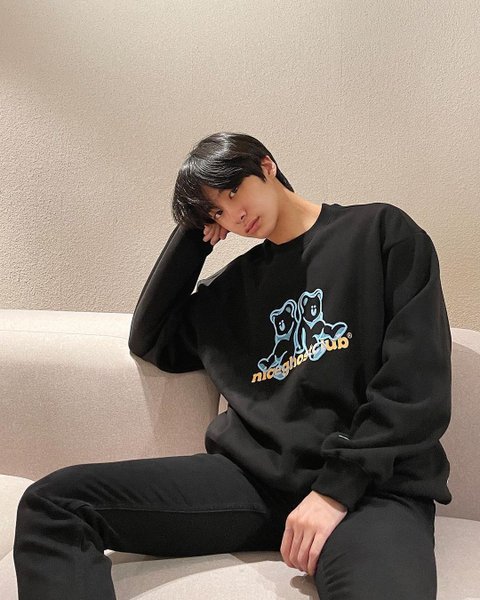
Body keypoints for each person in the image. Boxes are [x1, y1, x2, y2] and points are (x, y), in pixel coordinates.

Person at [13, 131, 452, 600]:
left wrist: (335, 491)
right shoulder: (233, 289)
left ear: (265, 165)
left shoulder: (380, 233)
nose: (234, 214)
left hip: (371, 488)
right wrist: (193, 237)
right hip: (254, 483)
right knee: (55, 503)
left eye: (232, 191)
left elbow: (415, 384)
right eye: (217, 212)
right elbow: (151, 339)